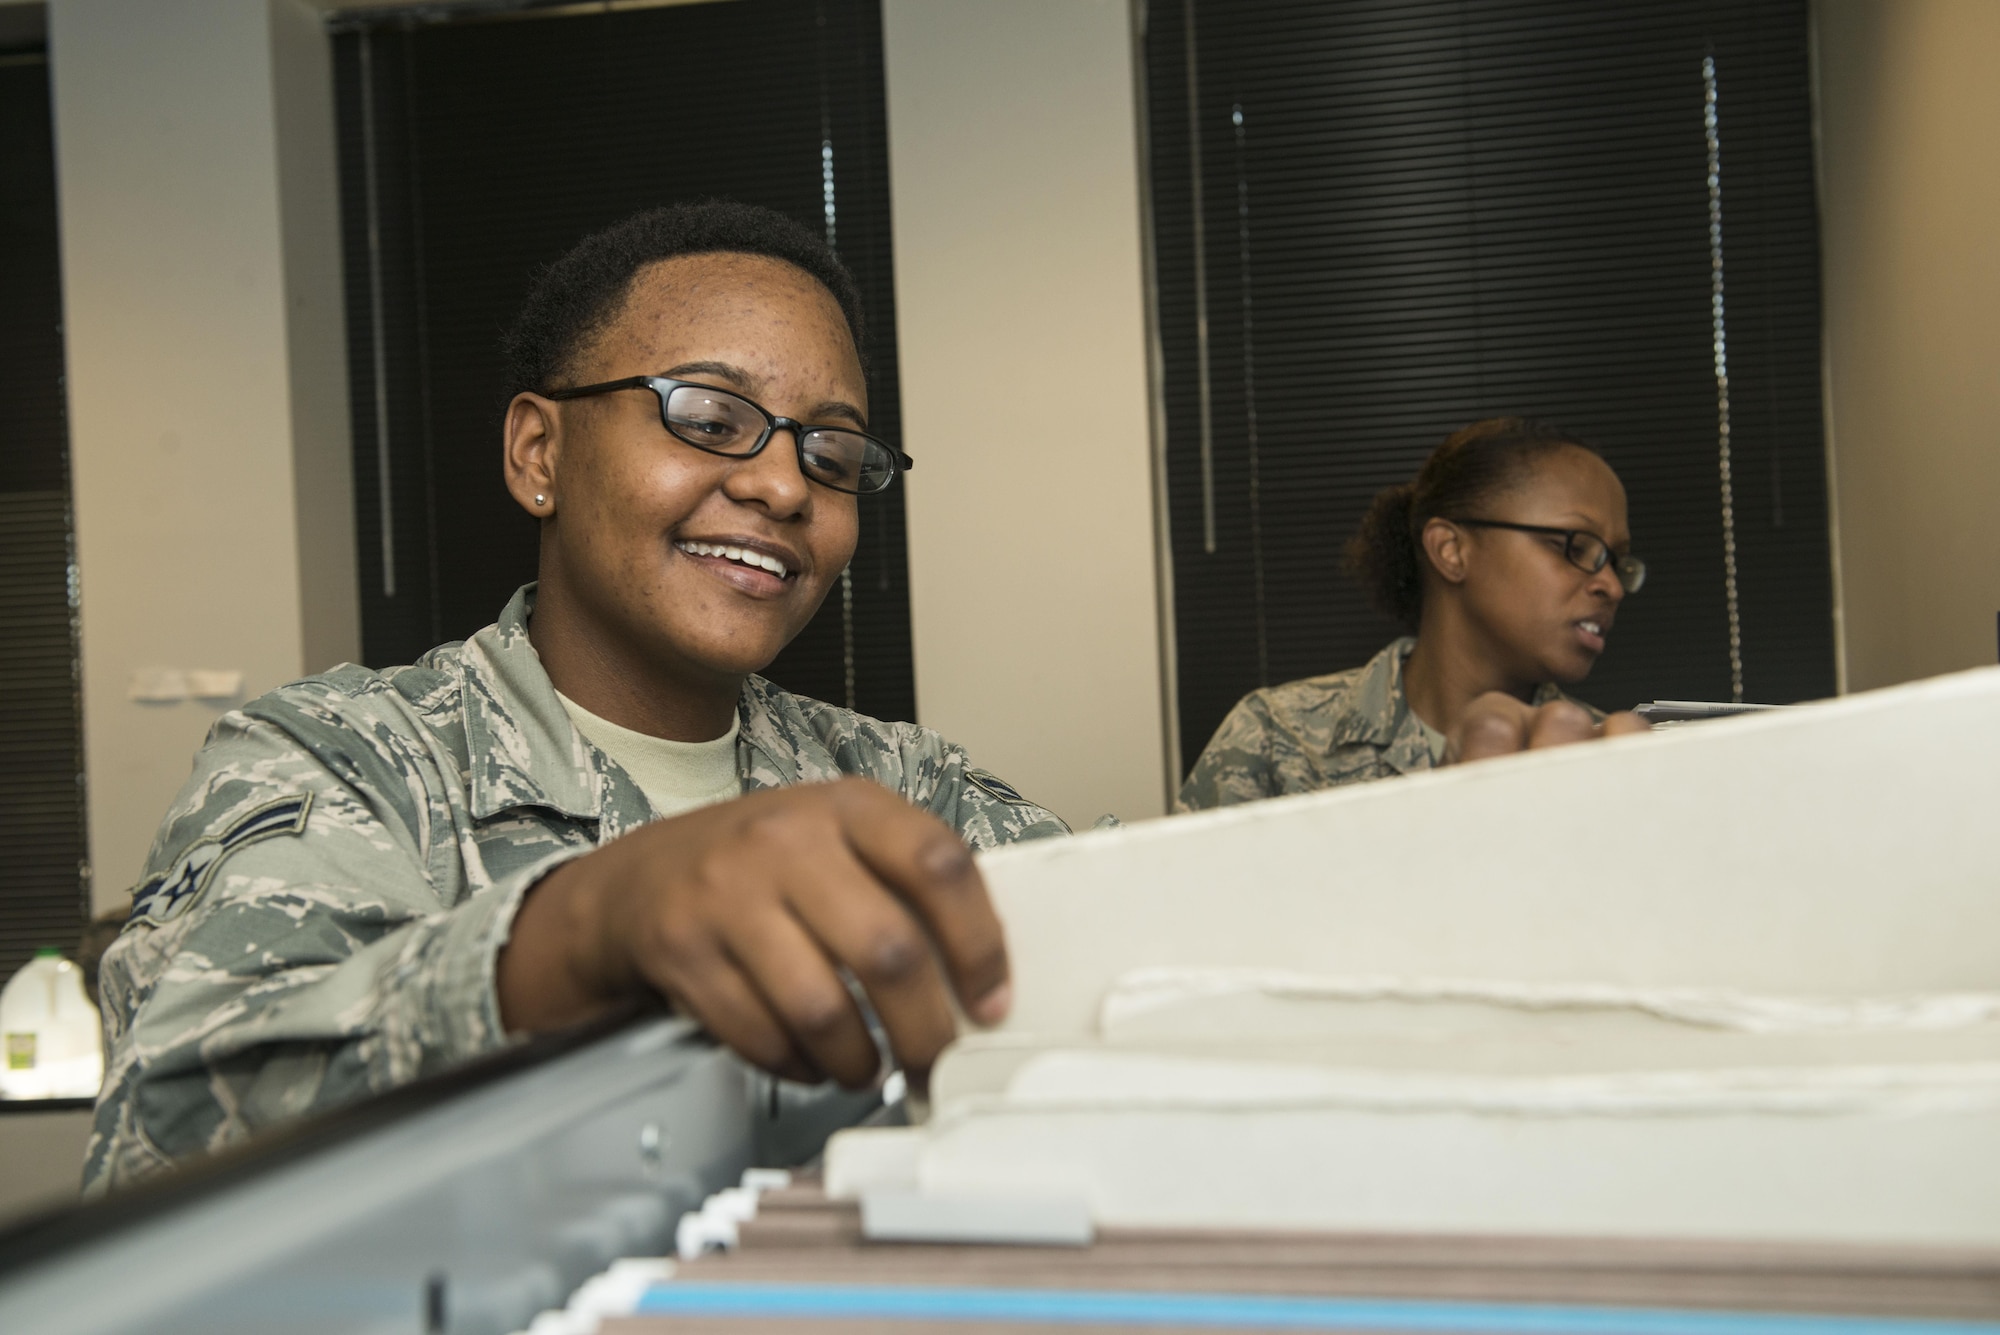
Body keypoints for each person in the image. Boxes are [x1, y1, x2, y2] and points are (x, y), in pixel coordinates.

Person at [85, 202, 1068, 1194]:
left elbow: (1154, 964)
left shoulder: (901, 785)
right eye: (710, 419)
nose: (782, 486)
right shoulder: (345, 760)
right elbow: (165, 1143)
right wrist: (583, 928)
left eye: (831, 452)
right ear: (538, 455)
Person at [1179, 418, 1650, 810]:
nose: (1610, 584)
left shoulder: (1605, 757)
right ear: (1452, 550)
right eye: (1575, 545)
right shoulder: (1277, 741)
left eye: (1617, 561)